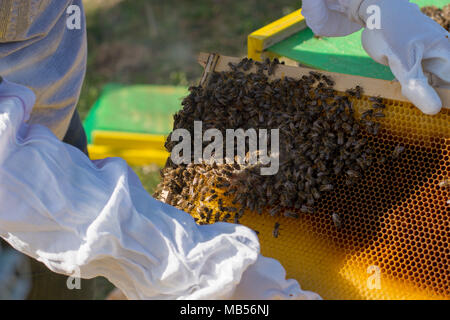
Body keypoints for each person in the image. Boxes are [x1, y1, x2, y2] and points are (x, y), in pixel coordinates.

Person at [0, 1, 319, 300]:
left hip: (49, 119)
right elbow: (13, 177)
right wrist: (202, 270)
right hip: (14, 173)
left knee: (60, 284)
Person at [301, 0, 450, 114]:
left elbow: (319, 20)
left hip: (381, 18)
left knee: (431, 54)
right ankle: (414, 82)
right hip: (379, 21)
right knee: (413, 71)